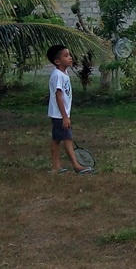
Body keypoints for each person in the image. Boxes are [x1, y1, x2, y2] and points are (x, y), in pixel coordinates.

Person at [46, 44, 93, 174]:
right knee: (67, 139)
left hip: (61, 114)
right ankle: (76, 166)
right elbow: (58, 96)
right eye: (66, 56)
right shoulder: (57, 75)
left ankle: (56, 167)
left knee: (57, 140)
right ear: (57, 61)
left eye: (69, 55)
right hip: (59, 115)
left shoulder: (63, 73)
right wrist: (65, 116)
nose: (70, 58)